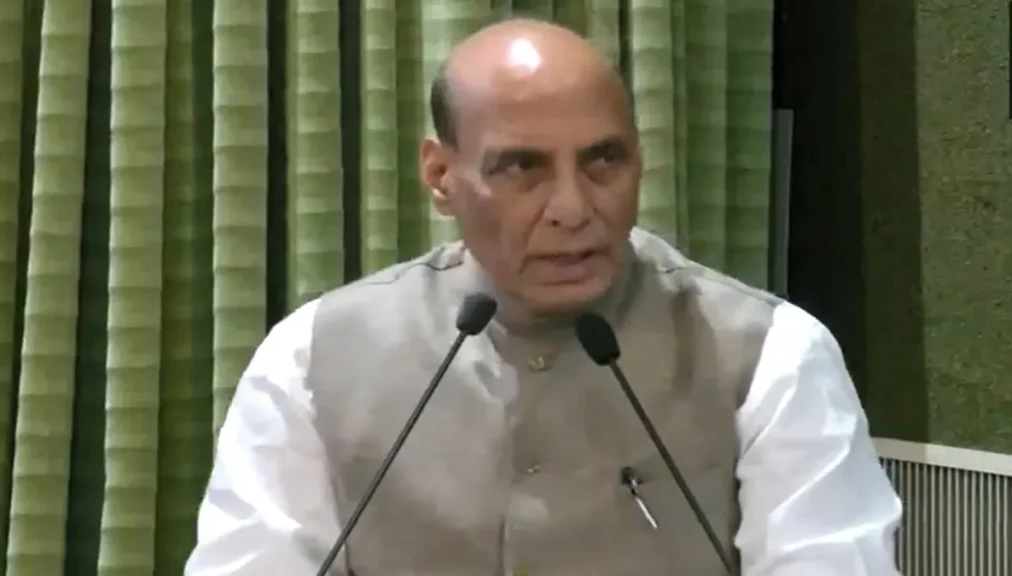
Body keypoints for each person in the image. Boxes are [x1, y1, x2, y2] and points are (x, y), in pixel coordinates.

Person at [184, 17, 902, 576]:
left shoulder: (772, 356)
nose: (573, 208)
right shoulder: (314, 356)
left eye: (604, 160)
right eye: (522, 168)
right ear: (440, 176)